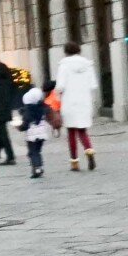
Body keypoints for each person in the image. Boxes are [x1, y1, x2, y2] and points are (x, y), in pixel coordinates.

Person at [53, 41, 100, 172]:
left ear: (66, 52)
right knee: (82, 130)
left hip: (69, 102)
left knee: (71, 132)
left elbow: (60, 86)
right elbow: (93, 85)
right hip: (84, 101)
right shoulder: (88, 65)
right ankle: (89, 150)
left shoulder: (64, 65)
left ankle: (74, 162)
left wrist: (56, 97)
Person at [18, 79, 50, 178]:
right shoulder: (42, 107)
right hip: (42, 134)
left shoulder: (28, 111)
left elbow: (25, 124)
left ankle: (36, 168)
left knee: (32, 152)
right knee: (37, 151)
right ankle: (39, 166)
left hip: (32, 136)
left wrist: (20, 127)